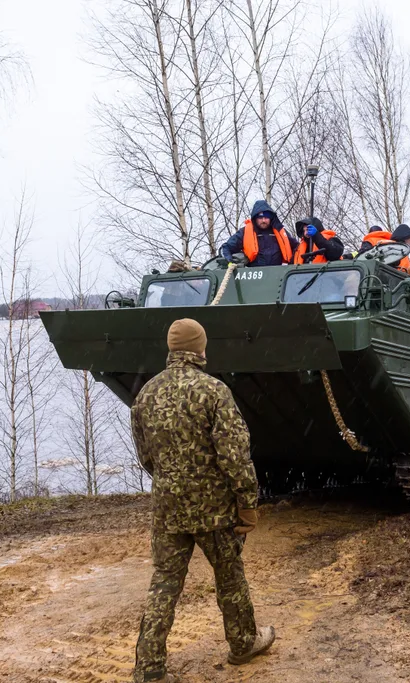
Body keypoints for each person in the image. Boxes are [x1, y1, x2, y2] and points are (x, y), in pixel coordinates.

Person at [131, 319, 275, 683]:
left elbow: (146, 457)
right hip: (215, 512)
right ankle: (243, 644)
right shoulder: (214, 392)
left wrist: (172, 483)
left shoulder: (146, 394)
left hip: (168, 509)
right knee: (229, 577)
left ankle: (149, 668)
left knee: (164, 582)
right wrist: (247, 503)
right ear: (200, 349)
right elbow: (235, 455)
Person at [220, 200, 298, 267]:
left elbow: (297, 247)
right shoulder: (244, 232)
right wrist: (229, 261)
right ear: (255, 219)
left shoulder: (280, 232)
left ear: (271, 218)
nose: (263, 220)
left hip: (278, 274)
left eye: (266, 217)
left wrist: (307, 237)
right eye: (260, 218)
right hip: (254, 275)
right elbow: (226, 248)